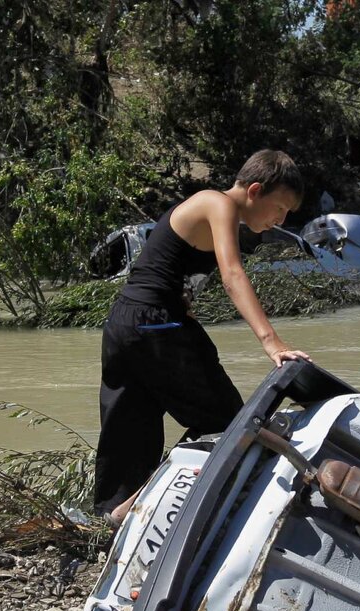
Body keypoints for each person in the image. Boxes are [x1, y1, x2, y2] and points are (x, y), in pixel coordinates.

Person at [93, 149, 312, 523]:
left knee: (132, 429)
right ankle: (138, 508)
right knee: (226, 423)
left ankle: (114, 513)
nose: (280, 220)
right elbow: (233, 276)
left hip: (127, 321)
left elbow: (163, 264)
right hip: (153, 324)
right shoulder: (218, 204)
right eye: (281, 208)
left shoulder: (210, 208)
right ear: (255, 190)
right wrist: (271, 341)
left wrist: (180, 298)